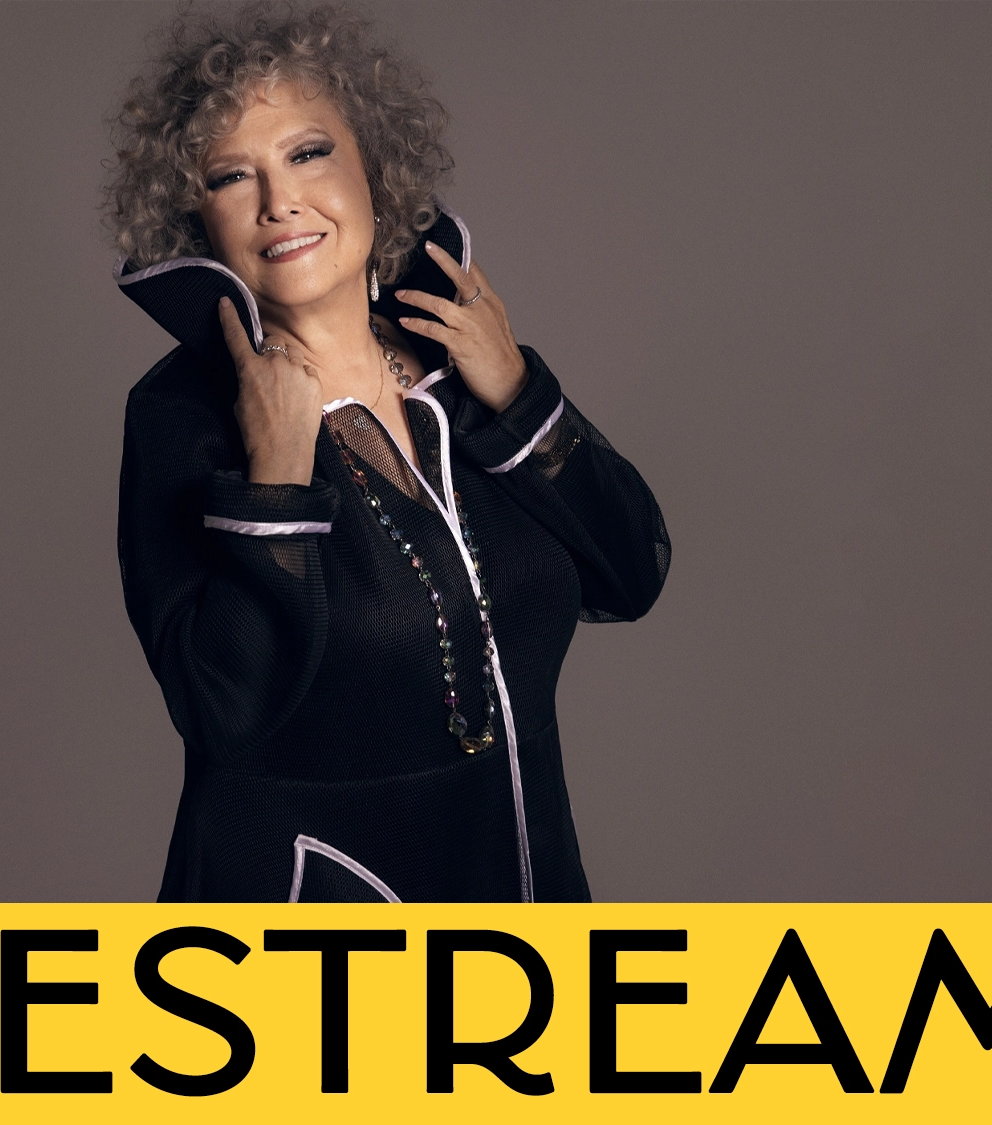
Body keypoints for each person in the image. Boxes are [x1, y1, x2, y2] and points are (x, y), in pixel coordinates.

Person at [106, 2, 669, 902]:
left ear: (374, 163)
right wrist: (279, 475)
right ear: (195, 219)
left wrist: (519, 392)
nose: (278, 199)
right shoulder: (182, 417)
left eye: (307, 152)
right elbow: (220, 707)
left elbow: (631, 571)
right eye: (230, 176)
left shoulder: (459, 364)